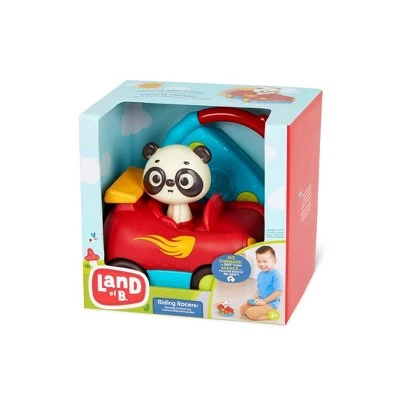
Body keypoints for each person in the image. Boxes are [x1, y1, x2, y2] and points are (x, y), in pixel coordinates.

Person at [240, 245, 283, 321]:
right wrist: (254, 299)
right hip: (260, 300)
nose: (261, 264)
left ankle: (270, 314)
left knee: (250, 314)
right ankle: (258, 309)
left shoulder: (276, 275)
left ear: (274, 261)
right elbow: (258, 289)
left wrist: (264, 301)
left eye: (265, 261)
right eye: (259, 261)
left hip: (270, 303)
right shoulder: (260, 274)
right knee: (242, 310)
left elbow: (278, 292)